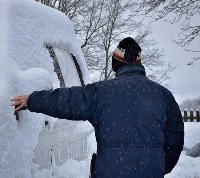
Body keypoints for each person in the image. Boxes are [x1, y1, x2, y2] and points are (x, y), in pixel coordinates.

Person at [11, 37, 184, 178]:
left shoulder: (101, 93)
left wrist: (32, 100)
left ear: (116, 63)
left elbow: (66, 100)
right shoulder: (164, 96)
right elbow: (175, 139)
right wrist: (158, 165)